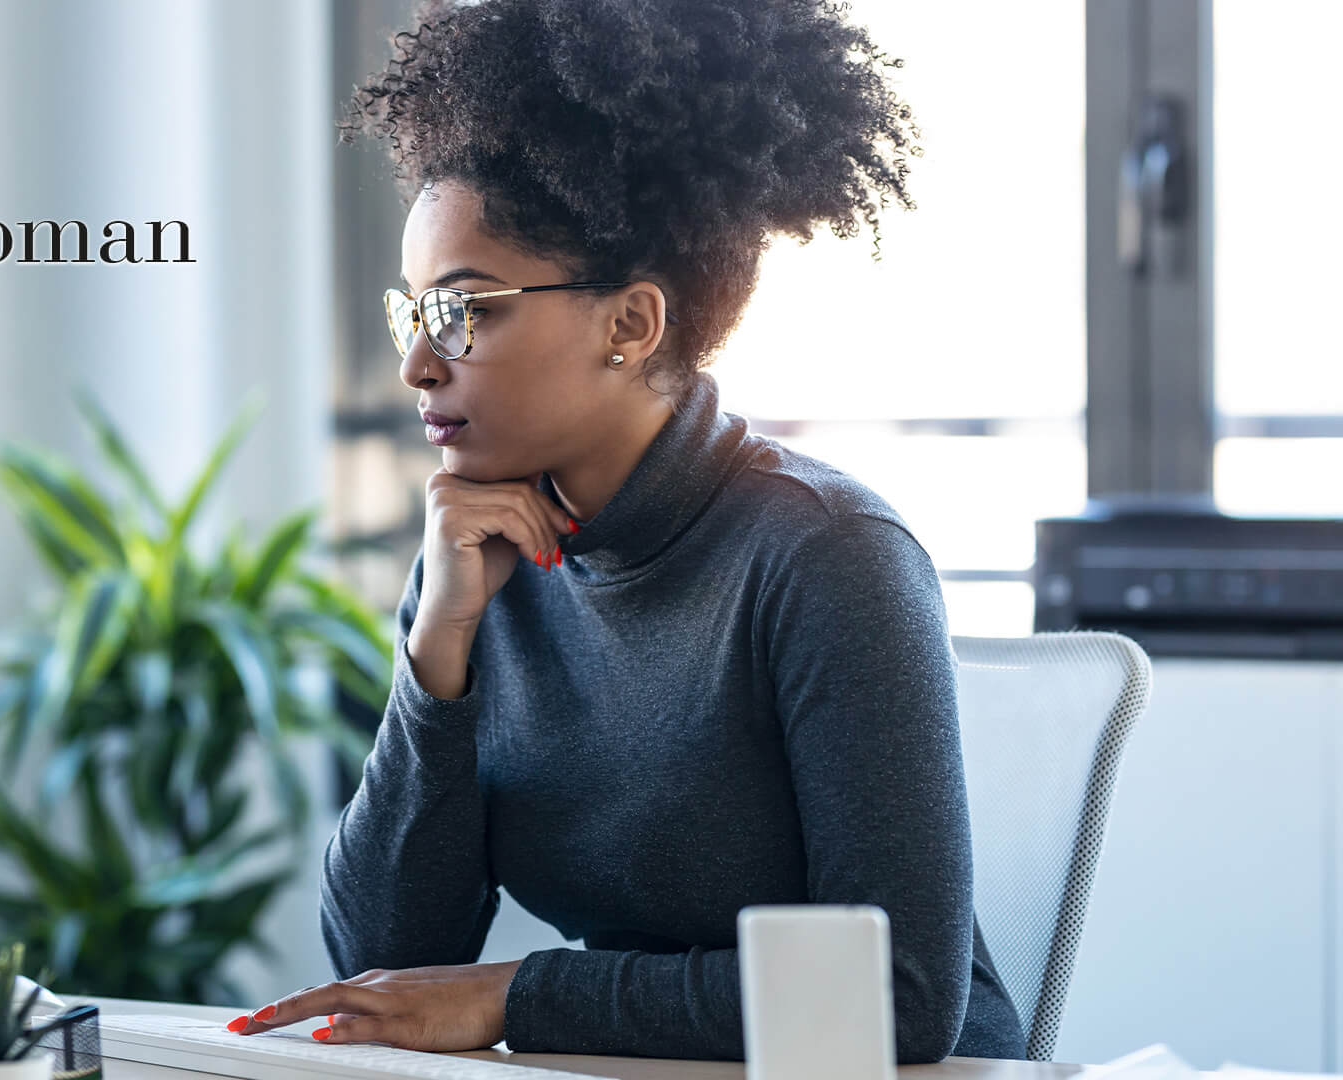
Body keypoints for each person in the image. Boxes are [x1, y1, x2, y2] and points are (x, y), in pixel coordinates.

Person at [223, 0, 1026, 1062]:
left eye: (464, 311)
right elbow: (384, 959)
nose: (418, 364)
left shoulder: (826, 556)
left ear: (630, 323)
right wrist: (437, 663)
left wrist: (518, 997)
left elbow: (898, 998)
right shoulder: (476, 562)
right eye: (411, 312)